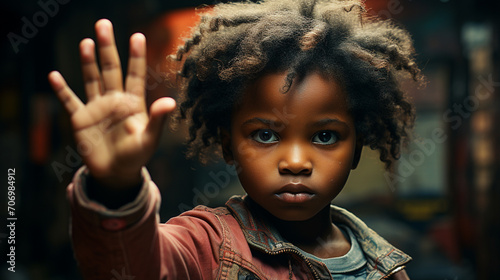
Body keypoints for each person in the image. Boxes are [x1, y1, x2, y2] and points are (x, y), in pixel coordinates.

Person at [48, 0, 423, 279]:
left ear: (357, 148)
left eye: (325, 136)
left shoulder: (387, 267)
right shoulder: (207, 245)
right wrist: (115, 187)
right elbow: (131, 268)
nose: (295, 161)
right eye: (265, 135)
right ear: (228, 145)